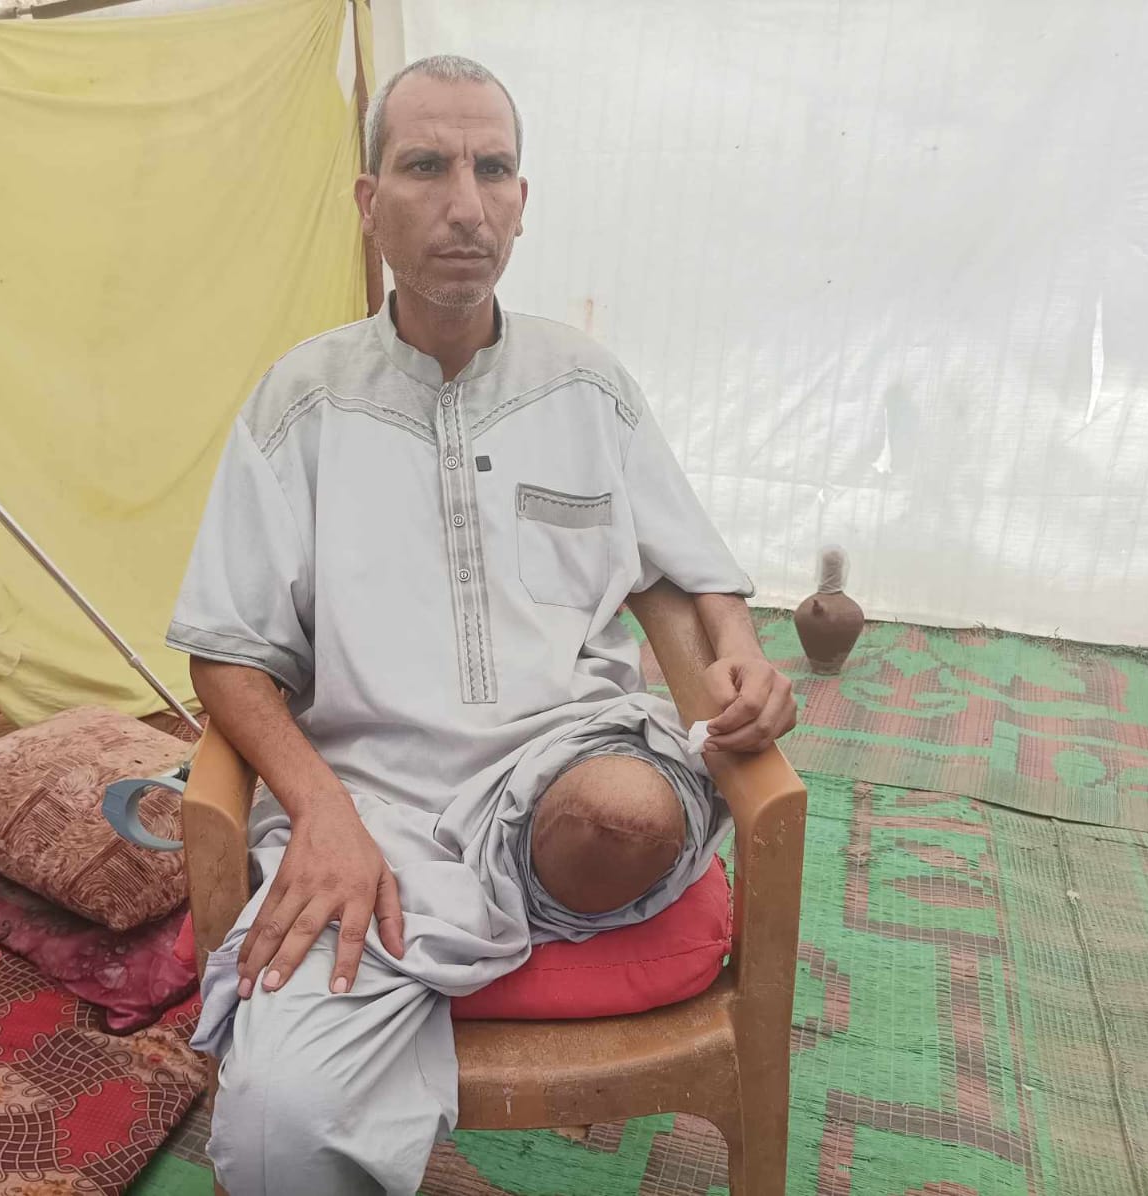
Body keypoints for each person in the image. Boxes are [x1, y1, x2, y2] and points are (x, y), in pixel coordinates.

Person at [165, 54, 797, 1196]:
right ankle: (397, 1051)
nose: (464, 202)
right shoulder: (298, 400)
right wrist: (321, 809)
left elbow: (692, 566)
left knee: (622, 813)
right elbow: (227, 645)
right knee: (270, 1137)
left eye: (491, 168)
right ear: (370, 201)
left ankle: (444, 978)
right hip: (377, 807)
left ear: (521, 199)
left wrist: (739, 651)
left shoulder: (584, 382)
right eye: (425, 166)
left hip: (564, 768)